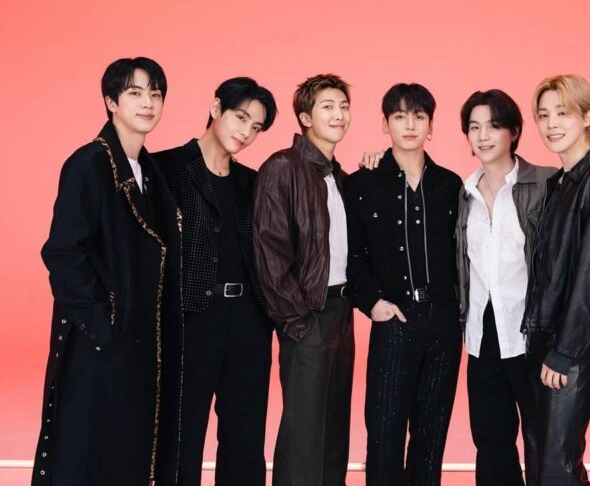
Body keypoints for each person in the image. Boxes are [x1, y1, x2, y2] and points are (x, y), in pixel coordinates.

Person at [33, 57, 182, 486]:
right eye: (135, 93)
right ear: (111, 101)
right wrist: (105, 323)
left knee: (131, 448)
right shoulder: (89, 163)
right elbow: (63, 253)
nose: (147, 103)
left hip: (144, 341)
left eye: (155, 94)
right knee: (90, 448)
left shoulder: (149, 171)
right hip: (102, 342)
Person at [153, 77, 277, 486]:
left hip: (248, 322)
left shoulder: (252, 182)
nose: (246, 132)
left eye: (256, 127)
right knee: (182, 433)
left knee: (245, 437)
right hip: (192, 318)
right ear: (215, 108)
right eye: (240, 117)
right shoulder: (166, 168)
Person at [346, 83, 463, 486]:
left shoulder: (451, 186)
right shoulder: (361, 184)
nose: (409, 125)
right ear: (385, 124)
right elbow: (352, 255)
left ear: (431, 125)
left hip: (444, 321)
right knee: (384, 435)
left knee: (431, 437)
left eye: (419, 116)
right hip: (394, 320)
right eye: (399, 116)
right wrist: (372, 302)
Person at [524, 74, 590, 485]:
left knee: (557, 462)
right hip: (545, 337)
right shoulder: (559, 183)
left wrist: (565, 351)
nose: (551, 124)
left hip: (572, 345)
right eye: (543, 115)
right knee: (545, 458)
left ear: (587, 117)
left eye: (563, 113)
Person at [253, 74, 354, 486]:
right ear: (306, 117)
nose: (339, 114)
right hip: (307, 313)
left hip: (341, 309)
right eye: (328, 106)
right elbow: (269, 251)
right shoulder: (283, 167)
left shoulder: (338, 176)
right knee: (304, 431)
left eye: (344, 106)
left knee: (333, 425)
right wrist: (297, 323)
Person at [455, 89, 557, 486]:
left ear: (514, 131)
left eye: (494, 126)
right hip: (483, 336)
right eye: (474, 127)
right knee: (492, 444)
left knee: (545, 442)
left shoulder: (547, 183)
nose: (483, 136)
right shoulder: (463, 193)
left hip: (533, 333)